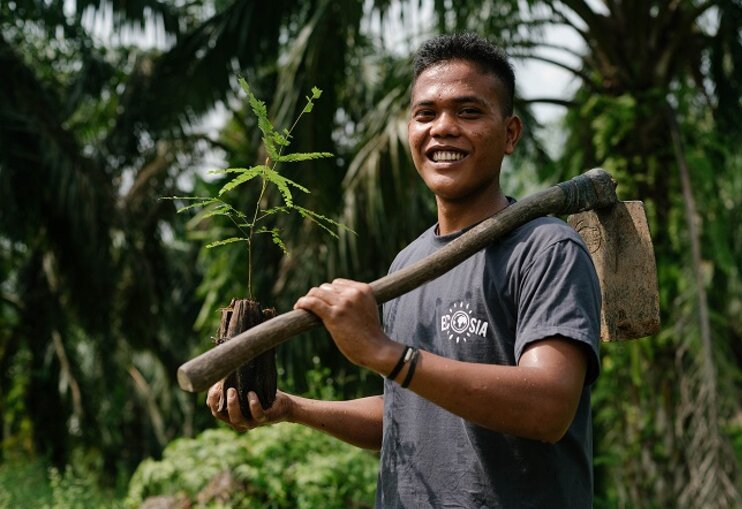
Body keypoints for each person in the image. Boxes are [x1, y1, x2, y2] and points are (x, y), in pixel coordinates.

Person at [208, 32, 601, 508]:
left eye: (469, 111)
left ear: (510, 134)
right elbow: (406, 415)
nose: (443, 128)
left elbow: (548, 407)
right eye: (426, 114)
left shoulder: (544, 249)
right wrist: (291, 408)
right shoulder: (408, 265)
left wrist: (385, 353)